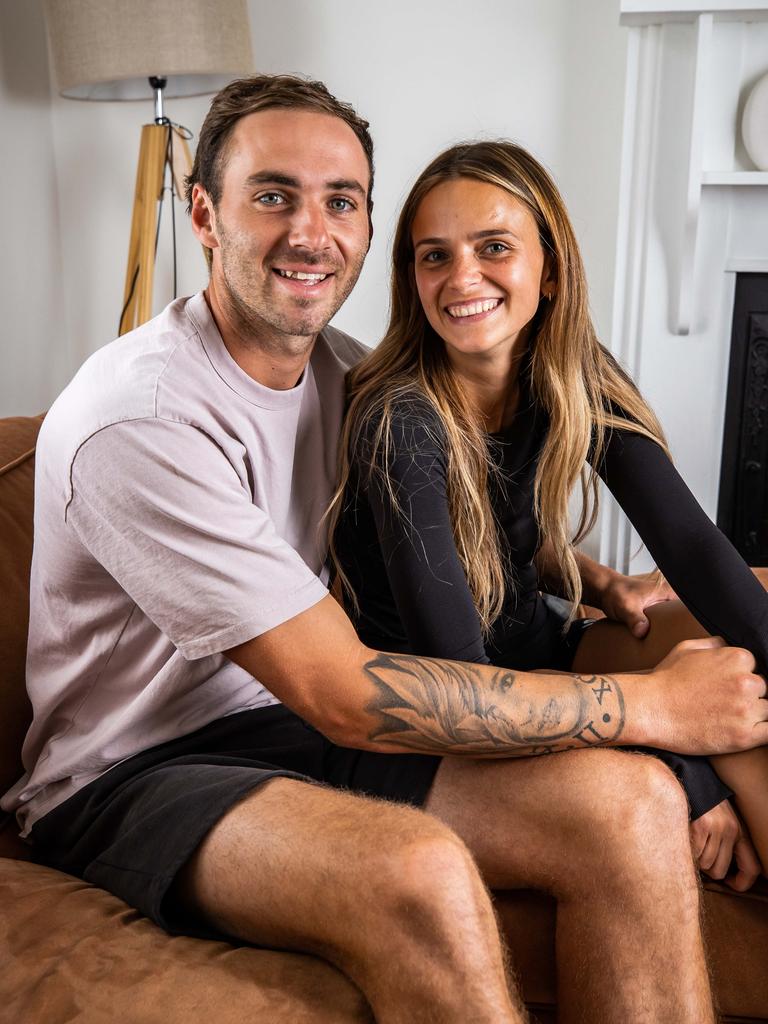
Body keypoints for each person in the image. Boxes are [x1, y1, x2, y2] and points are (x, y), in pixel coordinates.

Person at [2, 76, 767, 1024]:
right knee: (422, 870)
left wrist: (579, 575)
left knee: (632, 806)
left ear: (368, 230)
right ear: (203, 212)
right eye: (272, 194)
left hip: (290, 730)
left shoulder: (346, 373)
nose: (309, 232)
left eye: (342, 201)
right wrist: (656, 707)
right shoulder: (142, 417)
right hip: (138, 769)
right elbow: (350, 695)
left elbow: (447, 528)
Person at [329, 138, 768, 883]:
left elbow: (691, 546)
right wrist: (684, 766)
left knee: (747, 636)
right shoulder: (400, 420)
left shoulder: (570, 373)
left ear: (552, 269)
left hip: (542, 648)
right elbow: (460, 678)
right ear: (411, 278)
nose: (462, 277)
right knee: (728, 732)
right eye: (434, 256)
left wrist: (599, 586)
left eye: (494, 246)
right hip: (463, 712)